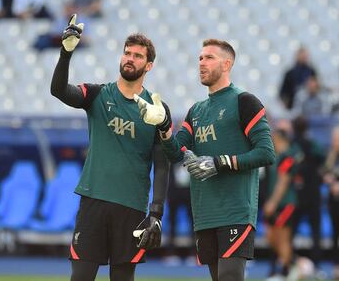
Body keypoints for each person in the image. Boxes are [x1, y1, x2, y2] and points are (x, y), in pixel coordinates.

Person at [134, 39, 275, 281]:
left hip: (235, 211)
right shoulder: (196, 110)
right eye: (200, 58)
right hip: (204, 214)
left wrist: (220, 162)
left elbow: (266, 152)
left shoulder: (244, 101)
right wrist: (164, 126)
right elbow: (176, 153)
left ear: (227, 64)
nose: (201, 63)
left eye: (209, 57)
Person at [50, 14, 170, 281]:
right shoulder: (97, 94)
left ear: (148, 65)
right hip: (94, 200)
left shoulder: (157, 110)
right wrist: (66, 53)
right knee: (80, 277)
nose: (130, 58)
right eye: (127, 53)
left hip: (132, 207)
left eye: (138, 55)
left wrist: (156, 212)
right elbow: (59, 90)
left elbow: (163, 163)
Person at [263, 127, 303, 281]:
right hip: (276, 202)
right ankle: (296, 264)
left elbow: (283, 182)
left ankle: (286, 273)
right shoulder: (277, 156)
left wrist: (273, 202)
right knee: (271, 237)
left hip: (286, 202)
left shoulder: (288, 157)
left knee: (283, 238)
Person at [291, 116, 325, 267]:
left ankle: (286, 265)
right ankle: (316, 266)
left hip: (296, 195)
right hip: (313, 194)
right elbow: (322, 161)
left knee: (290, 233)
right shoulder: (313, 144)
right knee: (315, 233)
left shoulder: (292, 146)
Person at [322, 126, 339, 280]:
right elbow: (325, 172)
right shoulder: (331, 155)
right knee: (335, 234)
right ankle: (336, 266)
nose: (335, 141)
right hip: (334, 201)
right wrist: (329, 181)